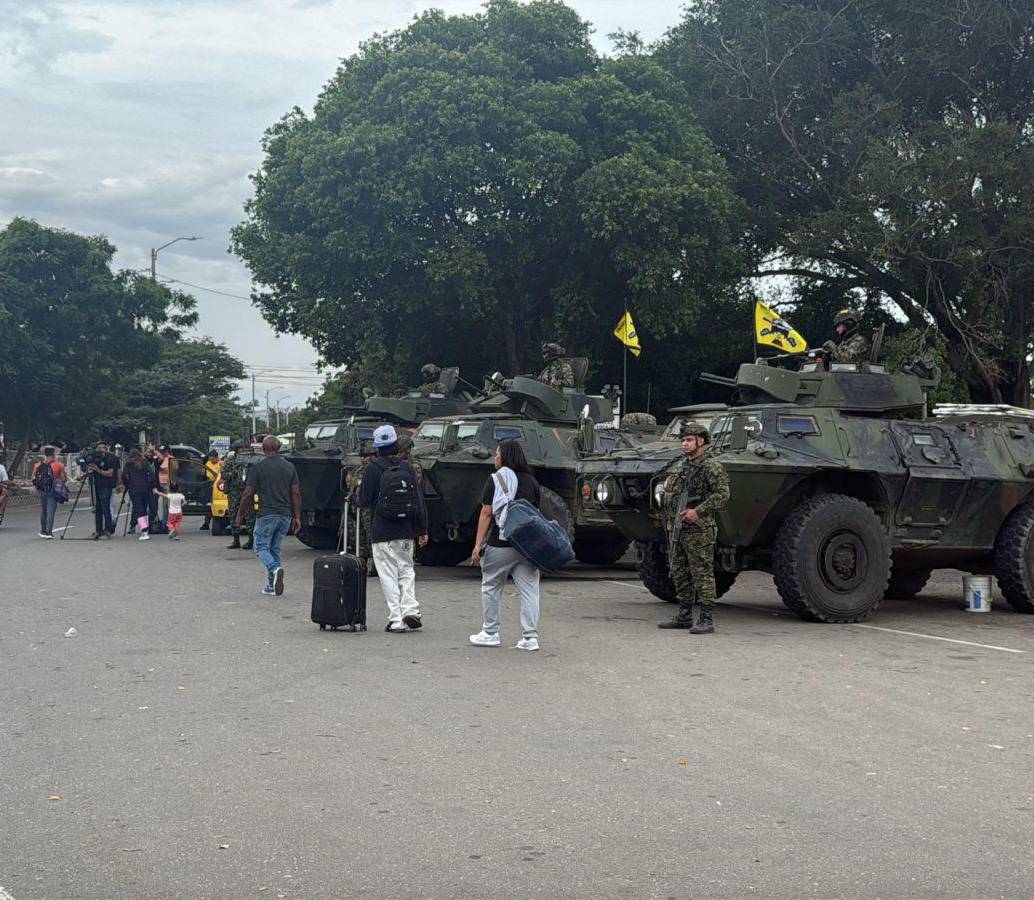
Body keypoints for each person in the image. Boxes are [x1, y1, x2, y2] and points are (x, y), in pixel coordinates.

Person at [469, 439, 543, 651]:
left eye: (497, 453)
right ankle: (530, 638)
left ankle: (490, 632)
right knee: (530, 591)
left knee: (491, 586)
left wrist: (477, 545)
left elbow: (486, 513)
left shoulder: (495, 479)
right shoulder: (532, 482)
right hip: (527, 546)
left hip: (500, 544)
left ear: (505, 456)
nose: (495, 457)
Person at [355, 424, 429, 633]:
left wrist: (354, 497)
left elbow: (364, 500)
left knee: (387, 574)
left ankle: (396, 619)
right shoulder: (406, 468)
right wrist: (422, 529)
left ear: (377, 447)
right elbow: (418, 500)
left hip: (382, 531)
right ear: (396, 444)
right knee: (406, 570)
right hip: (406, 530)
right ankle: (411, 610)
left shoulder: (373, 468)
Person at [658, 422, 730, 634]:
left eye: (689, 440)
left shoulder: (711, 466)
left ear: (701, 441)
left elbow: (722, 495)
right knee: (679, 571)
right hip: (678, 527)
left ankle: (706, 617)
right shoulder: (682, 465)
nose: (685, 444)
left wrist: (697, 511)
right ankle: (685, 614)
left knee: (702, 573)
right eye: (683, 440)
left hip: (699, 529)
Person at [236, 435, 301, 596]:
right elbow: (296, 493)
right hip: (285, 515)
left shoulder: (258, 467)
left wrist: (240, 514)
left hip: (266, 514)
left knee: (261, 547)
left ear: (263, 449)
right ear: (278, 448)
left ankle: (275, 569)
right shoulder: (289, 467)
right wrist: (297, 516)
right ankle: (272, 586)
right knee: (275, 549)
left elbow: (247, 493)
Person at [345, 440, 376, 572]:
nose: (363, 459)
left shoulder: (375, 470)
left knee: (372, 537)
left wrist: (356, 482)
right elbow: (350, 485)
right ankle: (361, 563)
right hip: (357, 508)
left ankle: (376, 565)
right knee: (360, 537)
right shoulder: (358, 470)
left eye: (367, 456)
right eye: (362, 456)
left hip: (370, 509)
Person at [121, 448, 159, 541]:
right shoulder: (145, 463)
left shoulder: (129, 464)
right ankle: (145, 529)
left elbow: (123, 475)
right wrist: (151, 485)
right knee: (144, 509)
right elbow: (152, 474)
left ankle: (144, 530)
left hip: (134, 489)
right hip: (145, 489)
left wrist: (128, 484)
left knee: (138, 509)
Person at [222, 443, 254, 550]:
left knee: (249, 515)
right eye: (240, 449)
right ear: (236, 450)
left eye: (243, 449)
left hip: (247, 491)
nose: (242, 451)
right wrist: (233, 473)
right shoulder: (231, 461)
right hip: (234, 492)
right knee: (233, 515)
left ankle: (251, 540)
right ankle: (236, 540)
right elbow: (223, 474)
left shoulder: (249, 461)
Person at [31, 446, 66, 539]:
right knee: (51, 510)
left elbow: (33, 478)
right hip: (52, 489)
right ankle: (49, 532)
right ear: (53, 454)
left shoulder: (38, 465)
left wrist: (37, 486)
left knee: (43, 509)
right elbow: (63, 478)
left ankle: (43, 530)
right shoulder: (59, 465)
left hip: (41, 489)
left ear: (45, 454)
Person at [87, 440, 119, 539]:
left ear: (106, 448)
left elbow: (110, 473)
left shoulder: (111, 458)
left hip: (106, 485)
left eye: (102, 447)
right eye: (99, 448)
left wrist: (97, 469)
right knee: (98, 508)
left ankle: (108, 530)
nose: (100, 450)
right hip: (96, 485)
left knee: (106, 508)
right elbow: (91, 468)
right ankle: (98, 530)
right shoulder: (96, 457)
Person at [200, 449, 221, 531]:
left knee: (216, 505)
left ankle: (217, 522)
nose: (211, 461)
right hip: (210, 486)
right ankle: (206, 523)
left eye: (212, 459)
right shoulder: (208, 463)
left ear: (217, 458)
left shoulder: (221, 464)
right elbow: (207, 475)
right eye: (210, 459)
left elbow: (218, 476)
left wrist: (212, 471)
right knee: (209, 505)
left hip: (219, 488)